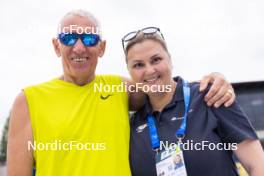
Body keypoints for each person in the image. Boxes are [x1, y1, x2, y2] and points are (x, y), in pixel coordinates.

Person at [7, 10, 235, 176]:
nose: (79, 47)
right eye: (69, 38)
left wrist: (213, 80)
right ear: (57, 46)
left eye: (89, 39)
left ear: (101, 48)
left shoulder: (120, 88)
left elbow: (164, 86)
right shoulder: (29, 100)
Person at [123, 27, 264, 176]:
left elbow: (257, 164)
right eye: (138, 65)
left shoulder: (210, 96)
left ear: (170, 60)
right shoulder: (132, 125)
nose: (150, 70)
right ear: (129, 71)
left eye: (156, 60)